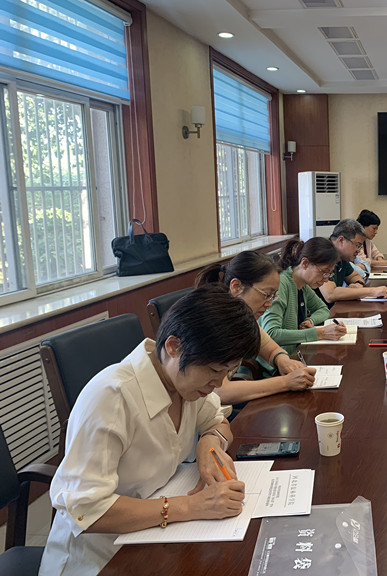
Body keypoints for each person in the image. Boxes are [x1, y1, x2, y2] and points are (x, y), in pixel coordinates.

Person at [39, 287, 261, 576]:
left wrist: (210, 443)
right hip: (101, 558)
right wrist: (191, 506)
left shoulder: (186, 384)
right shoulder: (112, 397)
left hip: (157, 539)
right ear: (174, 347)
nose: (218, 384)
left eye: (227, 372)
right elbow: (87, 510)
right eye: (213, 370)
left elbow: (218, 421)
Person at [194, 251, 316, 403]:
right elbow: (220, 392)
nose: (270, 304)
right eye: (267, 295)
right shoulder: (212, 321)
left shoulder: (243, 318)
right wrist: (286, 382)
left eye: (273, 296)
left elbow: (269, 348)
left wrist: (283, 360)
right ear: (237, 287)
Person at [261, 237, 348, 352]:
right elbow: (271, 333)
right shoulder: (281, 285)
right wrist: (320, 333)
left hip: (297, 353)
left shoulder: (303, 285)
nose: (326, 279)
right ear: (305, 263)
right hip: (278, 360)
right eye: (324, 272)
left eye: (329, 274)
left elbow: (323, 309)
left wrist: (310, 321)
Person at [316, 219, 387, 307]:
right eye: (357, 245)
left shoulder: (342, 258)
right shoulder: (324, 254)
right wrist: (373, 291)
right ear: (341, 240)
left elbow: (355, 276)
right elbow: (330, 294)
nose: (359, 250)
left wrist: (357, 284)